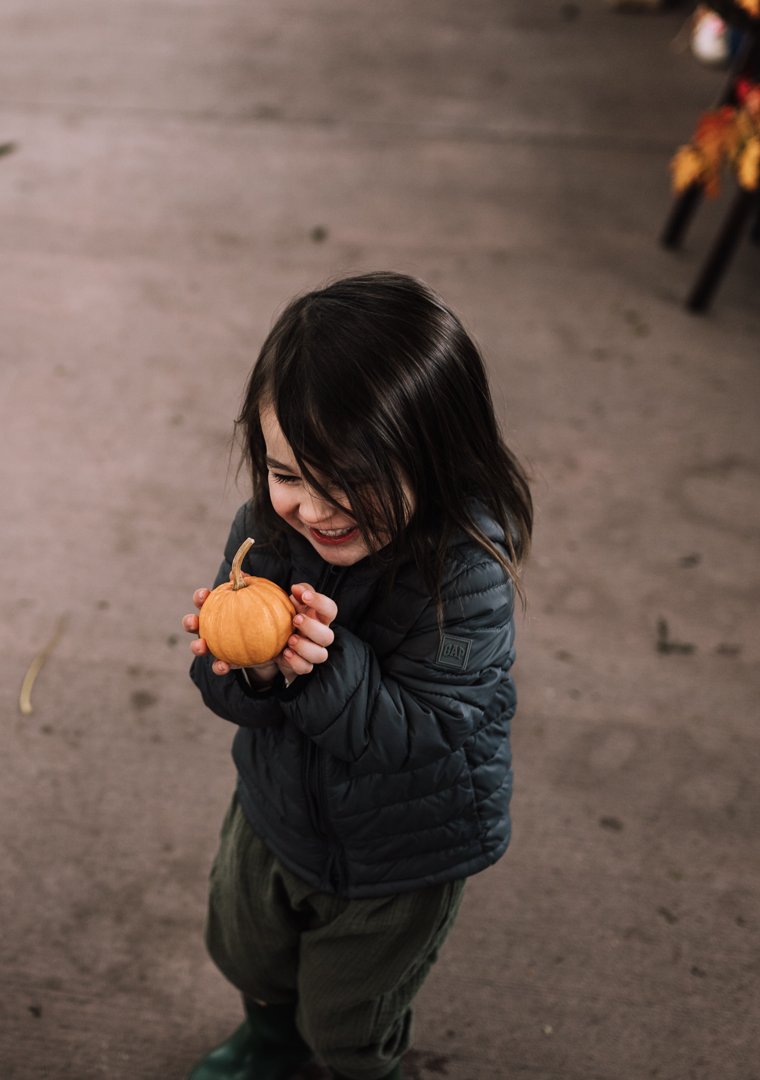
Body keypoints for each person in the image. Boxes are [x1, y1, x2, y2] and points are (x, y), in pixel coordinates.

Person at [181, 273, 532, 1080]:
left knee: (350, 1011)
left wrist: (325, 668)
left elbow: (429, 730)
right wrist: (257, 672)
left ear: (437, 455)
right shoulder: (262, 537)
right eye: (288, 472)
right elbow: (226, 690)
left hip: (400, 851)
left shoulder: (465, 575)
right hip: (275, 812)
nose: (314, 507)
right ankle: (267, 1046)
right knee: (248, 950)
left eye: (351, 478)